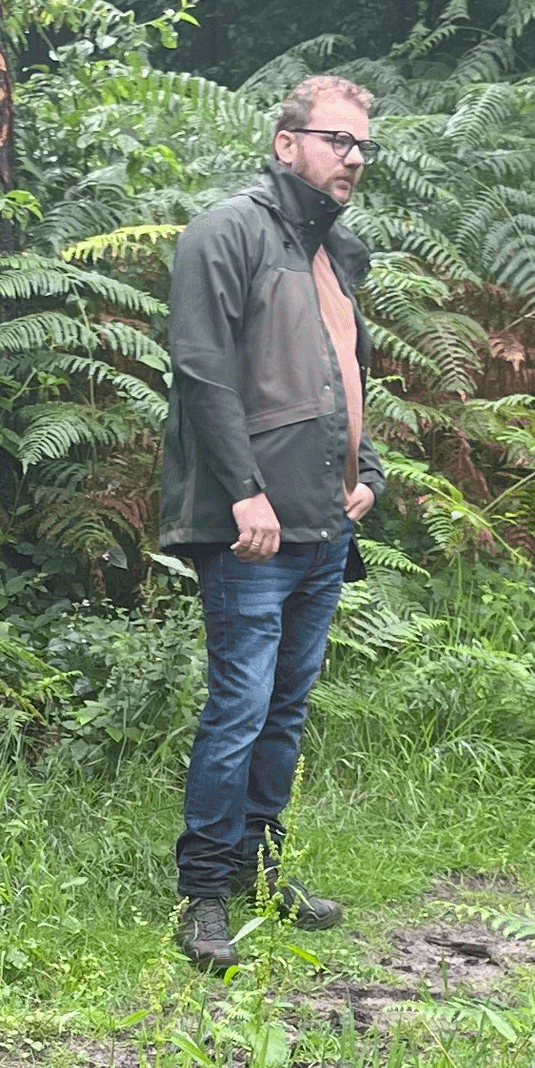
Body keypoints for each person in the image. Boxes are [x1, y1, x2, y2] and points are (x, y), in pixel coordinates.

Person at [160, 74, 386, 973]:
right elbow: (202, 370)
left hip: (324, 527)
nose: (353, 158)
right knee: (241, 708)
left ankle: (257, 868)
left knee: (284, 712)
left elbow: (350, 374)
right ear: (286, 141)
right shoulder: (225, 233)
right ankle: (205, 892)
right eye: (339, 140)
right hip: (249, 528)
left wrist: (366, 472)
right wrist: (244, 491)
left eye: (364, 145)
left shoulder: (341, 251)